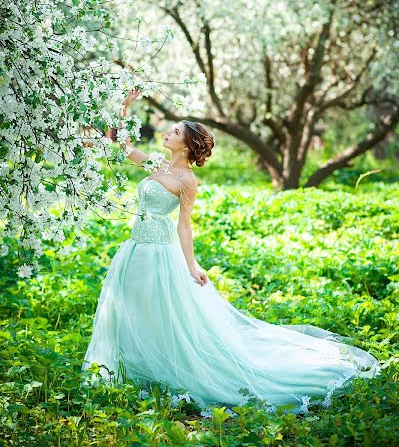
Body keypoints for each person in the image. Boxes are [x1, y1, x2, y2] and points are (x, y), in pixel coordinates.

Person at [81, 88, 381, 414]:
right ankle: (130, 368)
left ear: (186, 144)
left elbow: (184, 225)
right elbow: (123, 144)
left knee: (161, 313)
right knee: (132, 307)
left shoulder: (186, 181)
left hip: (160, 253)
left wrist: (192, 265)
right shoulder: (156, 164)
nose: (168, 132)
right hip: (135, 248)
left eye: (176, 131)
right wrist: (125, 107)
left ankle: (159, 370)